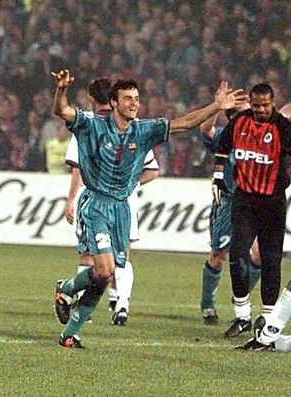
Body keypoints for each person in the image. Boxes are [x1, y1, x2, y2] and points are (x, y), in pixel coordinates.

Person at [52, 69, 247, 348]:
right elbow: (62, 111)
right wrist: (61, 90)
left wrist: (216, 106)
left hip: (121, 208)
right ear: (115, 103)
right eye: (128, 98)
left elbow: (184, 123)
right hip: (95, 204)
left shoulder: (144, 130)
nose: (134, 103)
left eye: (137, 98)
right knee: (105, 271)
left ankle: (68, 311)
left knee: (105, 276)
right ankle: (71, 316)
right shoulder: (92, 125)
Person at [201, 74, 291, 328]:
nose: (254, 110)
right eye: (249, 106)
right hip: (230, 200)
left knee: (261, 257)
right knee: (220, 256)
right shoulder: (230, 129)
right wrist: (215, 107)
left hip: (268, 201)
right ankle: (208, 306)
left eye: (258, 105)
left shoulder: (274, 125)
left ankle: (254, 313)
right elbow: (206, 130)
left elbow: (287, 118)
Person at [64, 77, 159, 326]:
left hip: (95, 200)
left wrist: (71, 199)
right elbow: (153, 169)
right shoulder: (138, 129)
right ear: (114, 100)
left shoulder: (87, 126)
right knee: (122, 256)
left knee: (88, 255)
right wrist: (128, 183)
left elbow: (77, 170)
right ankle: (120, 304)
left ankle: (78, 298)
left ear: (91, 99)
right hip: (126, 201)